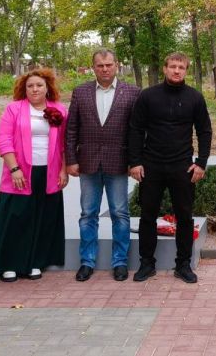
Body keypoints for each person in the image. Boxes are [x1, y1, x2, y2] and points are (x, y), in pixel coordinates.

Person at [128, 52, 212, 284]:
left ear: (186, 71)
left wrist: (201, 163)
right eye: (173, 66)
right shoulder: (148, 96)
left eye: (181, 67)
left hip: (182, 166)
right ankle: (147, 263)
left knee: (185, 216)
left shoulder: (194, 97)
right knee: (147, 215)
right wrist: (135, 162)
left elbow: (204, 131)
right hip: (151, 165)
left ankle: (183, 264)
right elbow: (135, 129)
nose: (177, 71)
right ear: (165, 68)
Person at [65, 49, 141, 282]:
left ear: (116, 65)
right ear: (93, 67)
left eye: (108, 65)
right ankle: (87, 262)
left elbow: (137, 131)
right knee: (88, 214)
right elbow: (71, 130)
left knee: (120, 213)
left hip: (118, 163)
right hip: (87, 162)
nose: (105, 69)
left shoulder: (132, 93)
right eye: (100, 66)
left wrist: (135, 162)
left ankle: (120, 262)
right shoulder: (80, 92)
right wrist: (71, 160)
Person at [0, 68, 68, 282]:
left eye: (39, 85)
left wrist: (63, 170)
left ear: (47, 88)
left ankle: (35, 263)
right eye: (30, 85)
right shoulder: (13, 109)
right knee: (17, 218)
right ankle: (9, 264)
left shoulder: (59, 110)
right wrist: (14, 169)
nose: (34, 89)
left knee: (42, 218)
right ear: (24, 88)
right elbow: (3, 140)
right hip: (20, 172)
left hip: (48, 173)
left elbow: (64, 144)